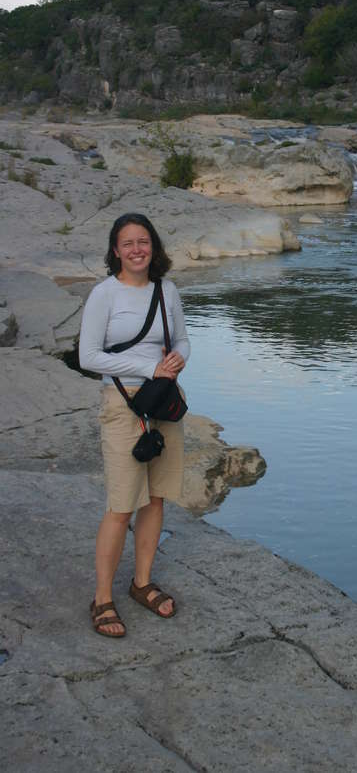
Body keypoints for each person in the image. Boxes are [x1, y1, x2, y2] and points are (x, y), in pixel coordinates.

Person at [79, 212, 190, 638]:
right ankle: (102, 598)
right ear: (116, 251)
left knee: (156, 498)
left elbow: (182, 339)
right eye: (128, 243)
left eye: (143, 241)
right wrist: (148, 367)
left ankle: (141, 583)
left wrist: (178, 358)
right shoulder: (104, 294)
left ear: (153, 246)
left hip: (163, 399)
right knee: (121, 504)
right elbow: (89, 357)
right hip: (122, 402)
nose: (137, 249)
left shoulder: (167, 290)